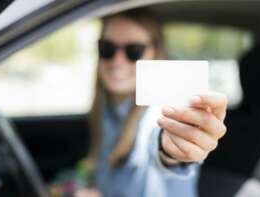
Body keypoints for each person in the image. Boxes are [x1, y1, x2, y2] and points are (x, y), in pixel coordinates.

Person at [51, 8, 227, 197]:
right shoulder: (107, 109)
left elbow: (159, 139)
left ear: (155, 54)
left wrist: (171, 149)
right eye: (107, 48)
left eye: (133, 51)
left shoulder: (160, 110)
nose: (117, 61)